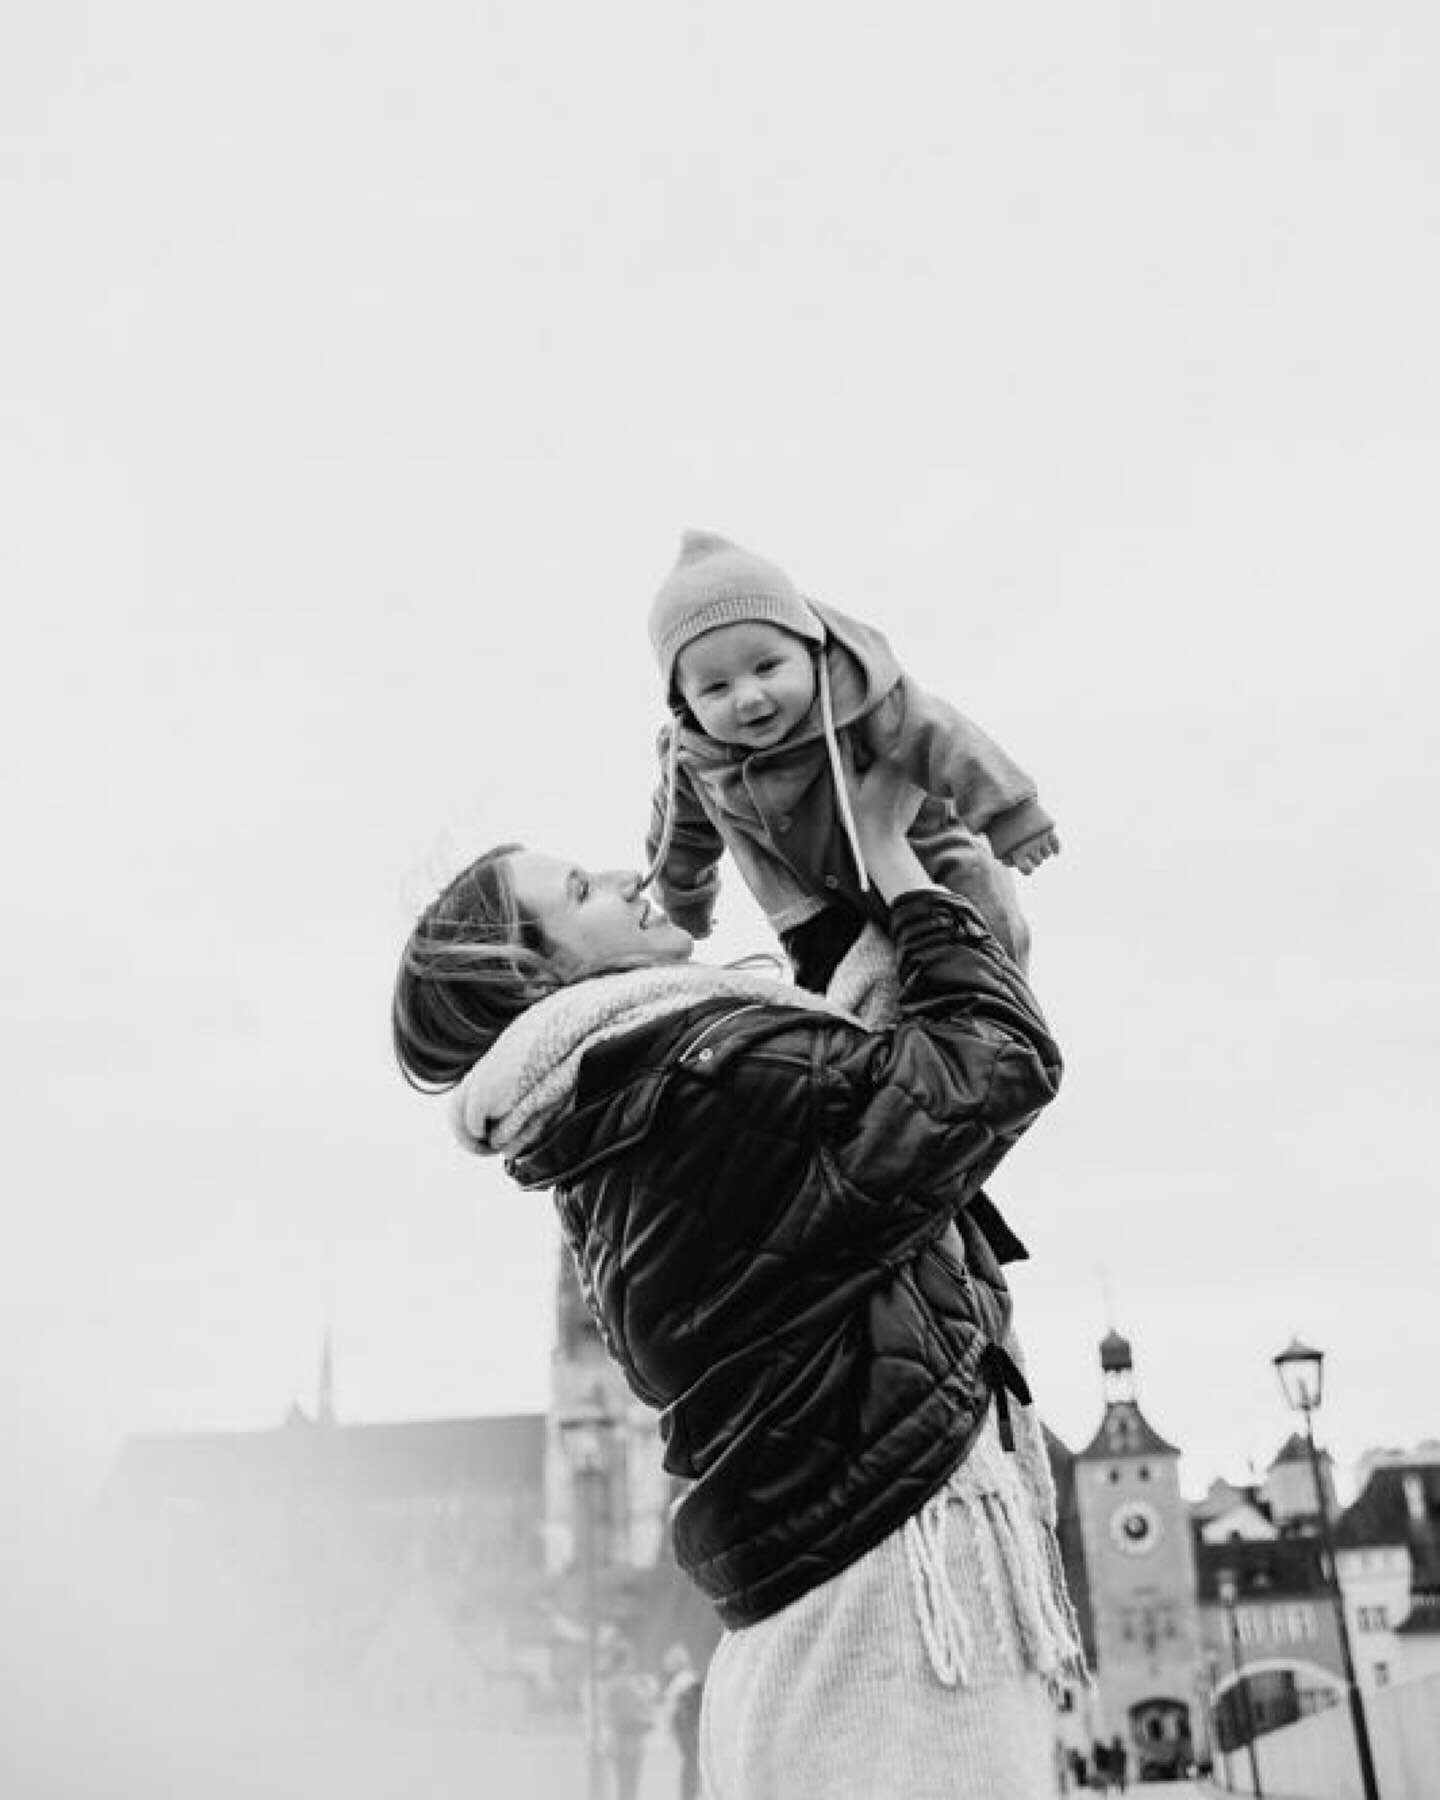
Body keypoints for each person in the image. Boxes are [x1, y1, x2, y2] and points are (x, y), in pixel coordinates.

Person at [393, 761, 1085, 1799]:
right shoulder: (696, 1089)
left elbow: (849, 1080)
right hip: (894, 1617)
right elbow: (995, 1062)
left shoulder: (625, 1127)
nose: (630, 878)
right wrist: (895, 863)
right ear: (543, 986)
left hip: (833, 1624)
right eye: (581, 893)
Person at [643, 529, 1058, 989]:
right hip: (835, 908)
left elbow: (945, 738)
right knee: (858, 994)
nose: (749, 697)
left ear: (810, 650)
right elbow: (679, 833)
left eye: (767, 667)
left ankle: (1007, 1007)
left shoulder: (862, 698)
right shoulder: (695, 760)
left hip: (934, 863)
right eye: (716, 687)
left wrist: (1011, 815)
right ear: (683, 702)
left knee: (987, 948)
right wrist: (685, 904)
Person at [598, 1638, 655, 1800]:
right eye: (631, 1659)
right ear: (625, 1661)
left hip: (622, 1744)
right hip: (627, 1745)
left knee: (625, 1787)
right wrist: (646, 1722)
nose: (633, 1663)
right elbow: (626, 1717)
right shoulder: (622, 1685)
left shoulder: (615, 1683)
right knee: (628, 1788)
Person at [661, 1642, 704, 1800]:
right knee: (689, 1764)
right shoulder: (687, 1679)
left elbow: (680, 1709)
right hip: (687, 1732)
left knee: (689, 1765)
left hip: (687, 1732)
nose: (666, 1666)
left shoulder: (684, 1680)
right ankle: (689, 1794)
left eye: (669, 1662)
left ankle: (688, 1795)